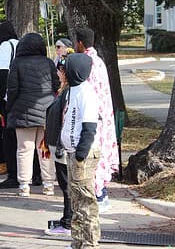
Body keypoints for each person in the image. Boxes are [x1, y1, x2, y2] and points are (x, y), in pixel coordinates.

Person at [6, 32, 59, 196]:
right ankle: (49, 183)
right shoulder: (48, 63)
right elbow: (56, 84)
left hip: (23, 112)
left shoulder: (17, 63)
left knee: (24, 149)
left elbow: (12, 88)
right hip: (46, 113)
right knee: (45, 149)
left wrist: (9, 107)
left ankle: (24, 185)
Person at [74, 27, 118, 212]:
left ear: (81, 43)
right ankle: (102, 193)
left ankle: (99, 195)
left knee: (92, 154)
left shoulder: (85, 62)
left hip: (93, 116)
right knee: (101, 151)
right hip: (103, 114)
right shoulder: (98, 61)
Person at [60, 53, 101, 248]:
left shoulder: (86, 92)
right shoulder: (71, 91)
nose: (62, 72)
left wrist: (80, 154)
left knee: (85, 202)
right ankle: (78, 241)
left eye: (65, 68)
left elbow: (89, 126)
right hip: (71, 151)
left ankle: (90, 243)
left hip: (82, 155)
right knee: (76, 200)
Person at [0, 21, 20, 189]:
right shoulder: (20, 44)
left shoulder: (6, 47)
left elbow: (1, 73)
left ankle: (13, 174)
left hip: (10, 99)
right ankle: (33, 174)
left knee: (9, 138)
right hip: (25, 98)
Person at [45, 53, 74, 236]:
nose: (58, 73)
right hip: (59, 144)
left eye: (61, 70)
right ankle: (68, 219)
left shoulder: (71, 93)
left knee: (67, 185)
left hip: (65, 146)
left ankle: (69, 222)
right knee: (65, 185)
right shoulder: (65, 91)